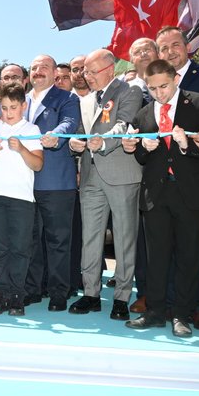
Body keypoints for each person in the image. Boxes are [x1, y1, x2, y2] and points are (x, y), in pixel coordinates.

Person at [122, 59, 199, 336]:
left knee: (189, 257)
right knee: (156, 257)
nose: (159, 93)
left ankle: (182, 314)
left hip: (190, 192)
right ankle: (154, 312)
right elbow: (141, 156)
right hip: (156, 193)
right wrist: (143, 147)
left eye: (163, 86)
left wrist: (186, 144)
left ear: (176, 78)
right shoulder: (143, 114)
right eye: (152, 88)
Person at [68, 48, 143, 321]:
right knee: (90, 237)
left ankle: (122, 296)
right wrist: (75, 144)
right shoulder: (86, 99)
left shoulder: (130, 91)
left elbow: (124, 125)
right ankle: (90, 293)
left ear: (110, 69)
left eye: (92, 71)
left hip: (121, 173)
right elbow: (81, 133)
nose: (87, 77)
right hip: (89, 175)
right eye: (84, 71)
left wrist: (103, 143)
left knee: (124, 238)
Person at [0, 83, 44, 315]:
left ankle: (17, 296)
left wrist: (22, 149)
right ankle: (1, 294)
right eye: (4, 107)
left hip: (21, 199)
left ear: (23, 106)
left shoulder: (32, 129)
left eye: (13, 107)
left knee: (20, 248)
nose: (8, 113)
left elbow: (38, 164)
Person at [23, 54, 80, 311]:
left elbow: (69, 123)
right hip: (24, 181)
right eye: (34, 68)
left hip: (56, 181)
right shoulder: (21, 102)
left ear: (55, 72)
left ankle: (59, 292)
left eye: (44, 67)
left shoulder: (67, 98)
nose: (38, 71)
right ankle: (33, 289)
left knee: (58, 240)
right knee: (30, 239)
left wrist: (54, 135)